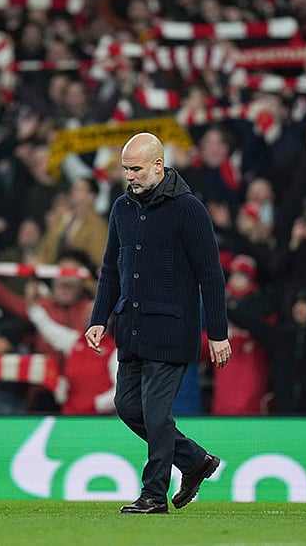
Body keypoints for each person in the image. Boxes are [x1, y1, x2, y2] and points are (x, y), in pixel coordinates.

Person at [85, 132, 232, 514]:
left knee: (155, 412)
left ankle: (153, 495)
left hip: (172, 329)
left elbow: (211, 275)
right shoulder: (121, 208)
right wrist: (99, 318)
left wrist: (217, 333)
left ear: (158, 166)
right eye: (125, 169)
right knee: (127, 405)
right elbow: (110, 270)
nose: (129, 176)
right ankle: (196, 460)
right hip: (131, 328)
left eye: (135, 168)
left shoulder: (189, 210)